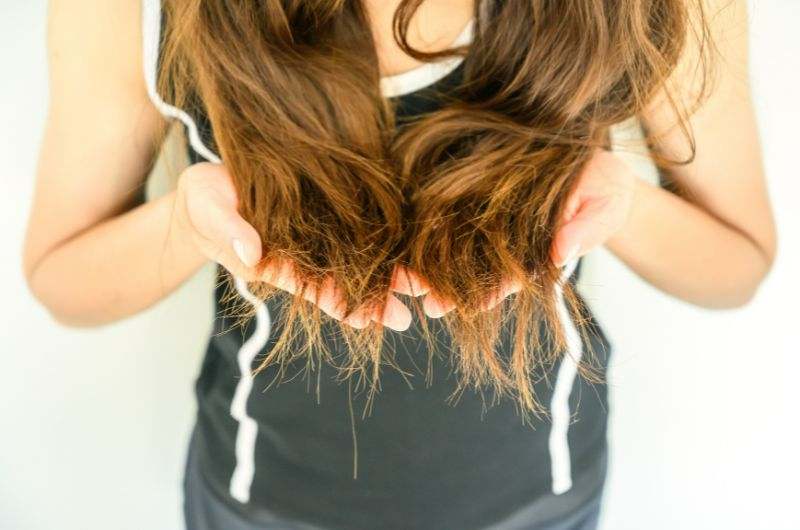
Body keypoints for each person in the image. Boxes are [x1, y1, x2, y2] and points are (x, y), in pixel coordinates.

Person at [23, 0, 776, 529]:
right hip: (264, 497)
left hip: (540, 494)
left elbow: (736, 265)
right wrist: (187, 219)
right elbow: (63, 279)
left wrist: (622, 204)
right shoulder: (143, 10)